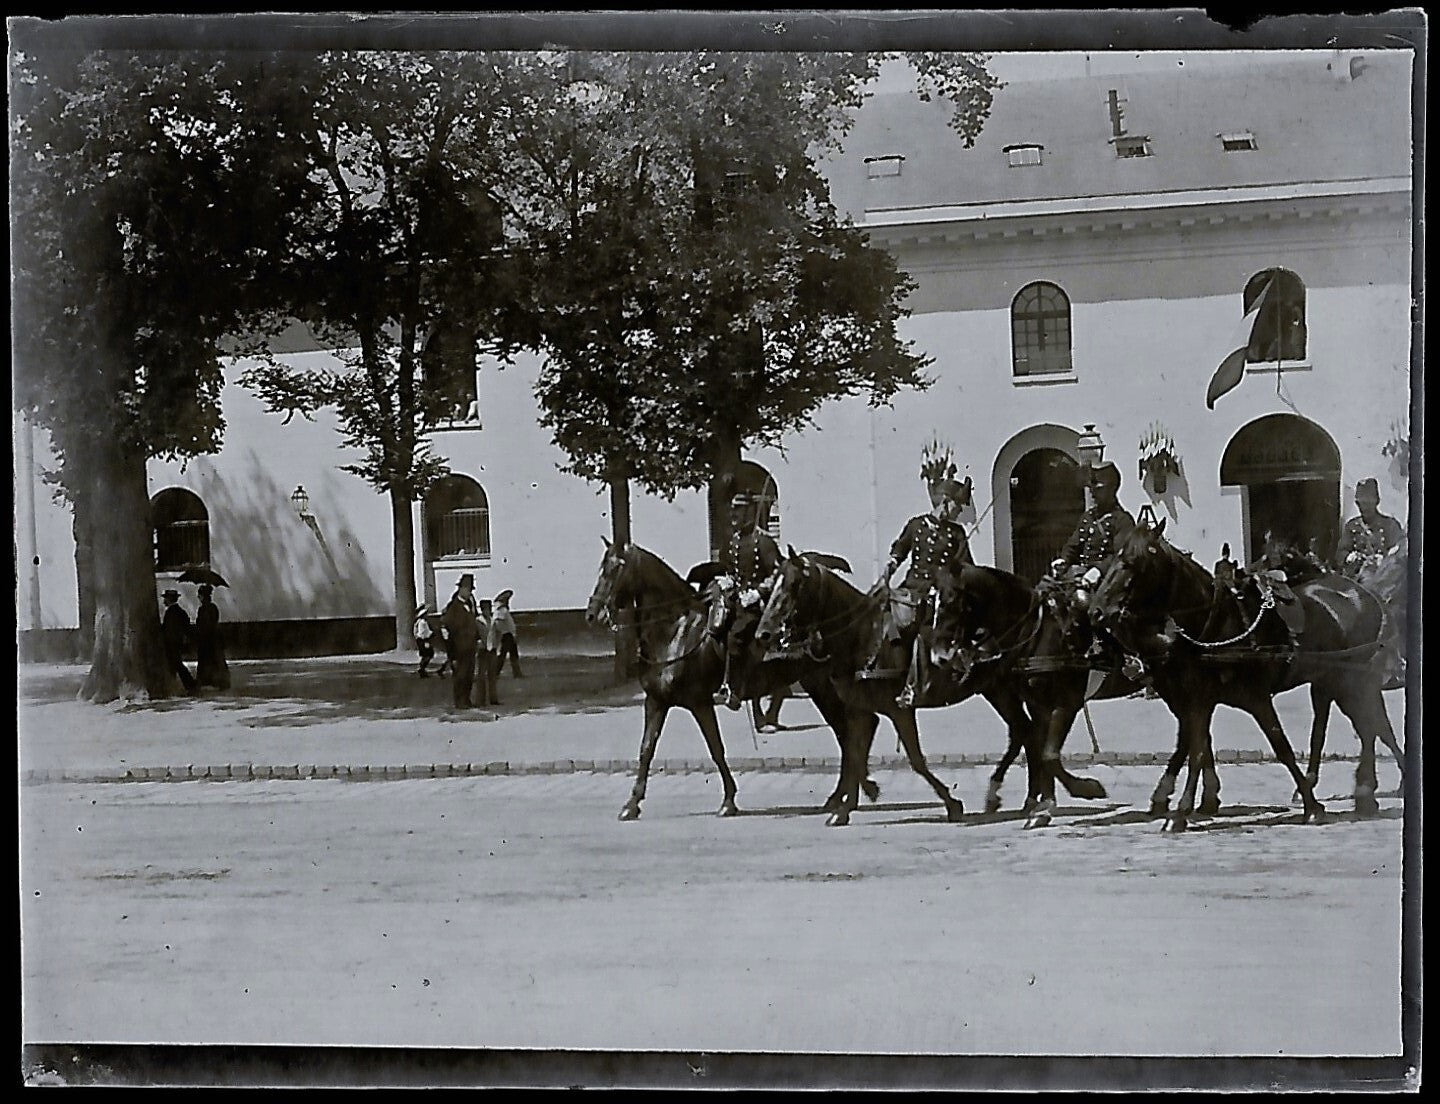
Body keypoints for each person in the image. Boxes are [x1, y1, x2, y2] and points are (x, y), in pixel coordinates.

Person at [879, 476, 975, 707]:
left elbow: (966, 566)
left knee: (923, 632)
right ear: (945, 501)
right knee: (885, 615)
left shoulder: (957, 534)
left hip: (938, 594)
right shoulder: (917, 525)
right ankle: (886, 670)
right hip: (910, 587)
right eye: (957, 505)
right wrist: (891, 565)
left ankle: (912, 686)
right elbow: (901, 548)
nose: (959, 511)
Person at [1048, 460, 1136, 669]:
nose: (1093, 493)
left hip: (1109, 581)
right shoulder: (1088, 517)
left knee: (1082, 600)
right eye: (1091, 488)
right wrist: (1063, 560)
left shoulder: (1121, 520)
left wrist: (1097, 570)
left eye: (1098, 488)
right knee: (1049, 598)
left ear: (1112, 488)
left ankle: (1101, 647)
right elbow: (1073, 544)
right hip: (1081, 577)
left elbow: (1120, 556)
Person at [714, 491, 783, 710]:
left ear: (750, 512)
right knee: (713, 626)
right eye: (733, 509)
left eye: (739, 510)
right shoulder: (732, 541)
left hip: (756, 605)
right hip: (735, 599)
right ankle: (718, 681)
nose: (734, 514)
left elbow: (777, 573)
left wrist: (759, 592)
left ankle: (736, 689)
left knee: (736, 635)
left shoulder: (763, 541)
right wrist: (726, 581)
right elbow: (728, 570)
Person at [1336, 478, 1404, 580]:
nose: (1364, 508)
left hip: (1384, 581)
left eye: (1368, 503)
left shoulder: (1390, 525)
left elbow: (1401, 553)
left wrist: (1385, 561)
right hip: (1358, 581)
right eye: (1360, 503)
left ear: (1377, 501)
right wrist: (1349, 557)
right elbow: (1340, 554)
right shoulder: (1352, 526)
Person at [440, 574, 480, 710]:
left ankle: (466, 699)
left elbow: (474, 624)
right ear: (461, 589)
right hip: (459, 649)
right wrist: (452, 655)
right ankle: (459, 701)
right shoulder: (453, 607)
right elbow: (448, 632)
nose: (470, 593)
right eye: (468, 589)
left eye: (471, 590)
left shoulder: (470, 605)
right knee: (460, 676)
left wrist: (477, 639)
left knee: (469, 675)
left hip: (470, 647)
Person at [193, 584, 231, 690]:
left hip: (208, 640)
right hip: (214, 639)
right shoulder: (212, 607)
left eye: (199, 595)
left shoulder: (204, 609)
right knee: (216, 660)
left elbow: (205, 625)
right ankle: (220, 681)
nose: (198, 597)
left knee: (210, 661)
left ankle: (211, 681)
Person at [160, 589, 197, 693]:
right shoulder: (180, 612)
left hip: (172, 643)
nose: (164, 601)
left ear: (169, 599)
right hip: (177, 642)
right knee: (174, 665)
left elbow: (168, 629)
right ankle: (181, 685)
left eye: (165, 598)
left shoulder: (171, 613)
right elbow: (187, 626)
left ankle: (190, 685)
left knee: (176, 665)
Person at [475, 598, 501, 707]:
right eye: (486, 609)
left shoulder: (493, 620)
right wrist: (478, 643)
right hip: (482, 650)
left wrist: (497, 645)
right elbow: (474, 635)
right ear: (482, 609)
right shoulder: (477, 621)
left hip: (492, 650)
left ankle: (493, 699)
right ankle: (481, 700)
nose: (488, 611)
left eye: (489, 609)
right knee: (481, 676)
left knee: (492, 675)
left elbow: (498, 633)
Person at [492, 590, 523, 677]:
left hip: (508, 634)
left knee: (512, 654)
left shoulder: (502, 610)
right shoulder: (502, 611)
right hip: (507, 635)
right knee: (504, 655)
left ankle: (516, 673)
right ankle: (496, 672)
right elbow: (498, 622)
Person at [413, 604, 437, 678]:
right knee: (428, 654)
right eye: (426, 614)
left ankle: (422, 668)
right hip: (423, 640)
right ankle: (422, 668)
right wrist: (428, 637)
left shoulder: (420, 622)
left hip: (422, 639)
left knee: (426, 654)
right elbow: (422, 632)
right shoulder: (422, 622)